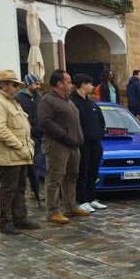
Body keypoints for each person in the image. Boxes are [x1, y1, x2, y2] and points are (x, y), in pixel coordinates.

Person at [0, 70, 41, 234]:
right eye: (14, 84)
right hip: (10, 155)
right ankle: (6, 222)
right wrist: (19, 145)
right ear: (4, 85)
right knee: (8, 190)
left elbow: (24, 127)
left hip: (21, 154)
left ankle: (20, 218)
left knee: (20, 189)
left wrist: (27, 146)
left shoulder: (12, 102)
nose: (18, 88)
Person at [38, 69, 90, 224]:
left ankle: (70, 206)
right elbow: (45, 122)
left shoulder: (67, 100)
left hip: (74, 145)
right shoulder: (48, 100)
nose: (71, 85)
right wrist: (64, 136)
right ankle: (52, 211)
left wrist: (77, 137)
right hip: (57, 145)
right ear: (59, 84)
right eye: (68, 82)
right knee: (55, 177)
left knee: (71, 176)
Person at [70, 73, 107, 213]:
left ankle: (92, 198)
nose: (92, 87)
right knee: (82, 173)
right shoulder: (72, 102)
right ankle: (82, 200)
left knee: (93, 172)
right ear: (83, 85)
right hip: (82, 144)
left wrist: (100, 134)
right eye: (90, 84)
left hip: (95, 144)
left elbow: (101, 120)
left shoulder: (91, 102)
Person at [14, 73, 46, 180]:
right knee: (26, 165)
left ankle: (34, 191)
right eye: (36, 83)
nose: (39, 86)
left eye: (39, 83)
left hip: (38, 136)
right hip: (25, 137)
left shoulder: (40, 98)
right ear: (28, 84)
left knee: (37, 163)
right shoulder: (18, 98)